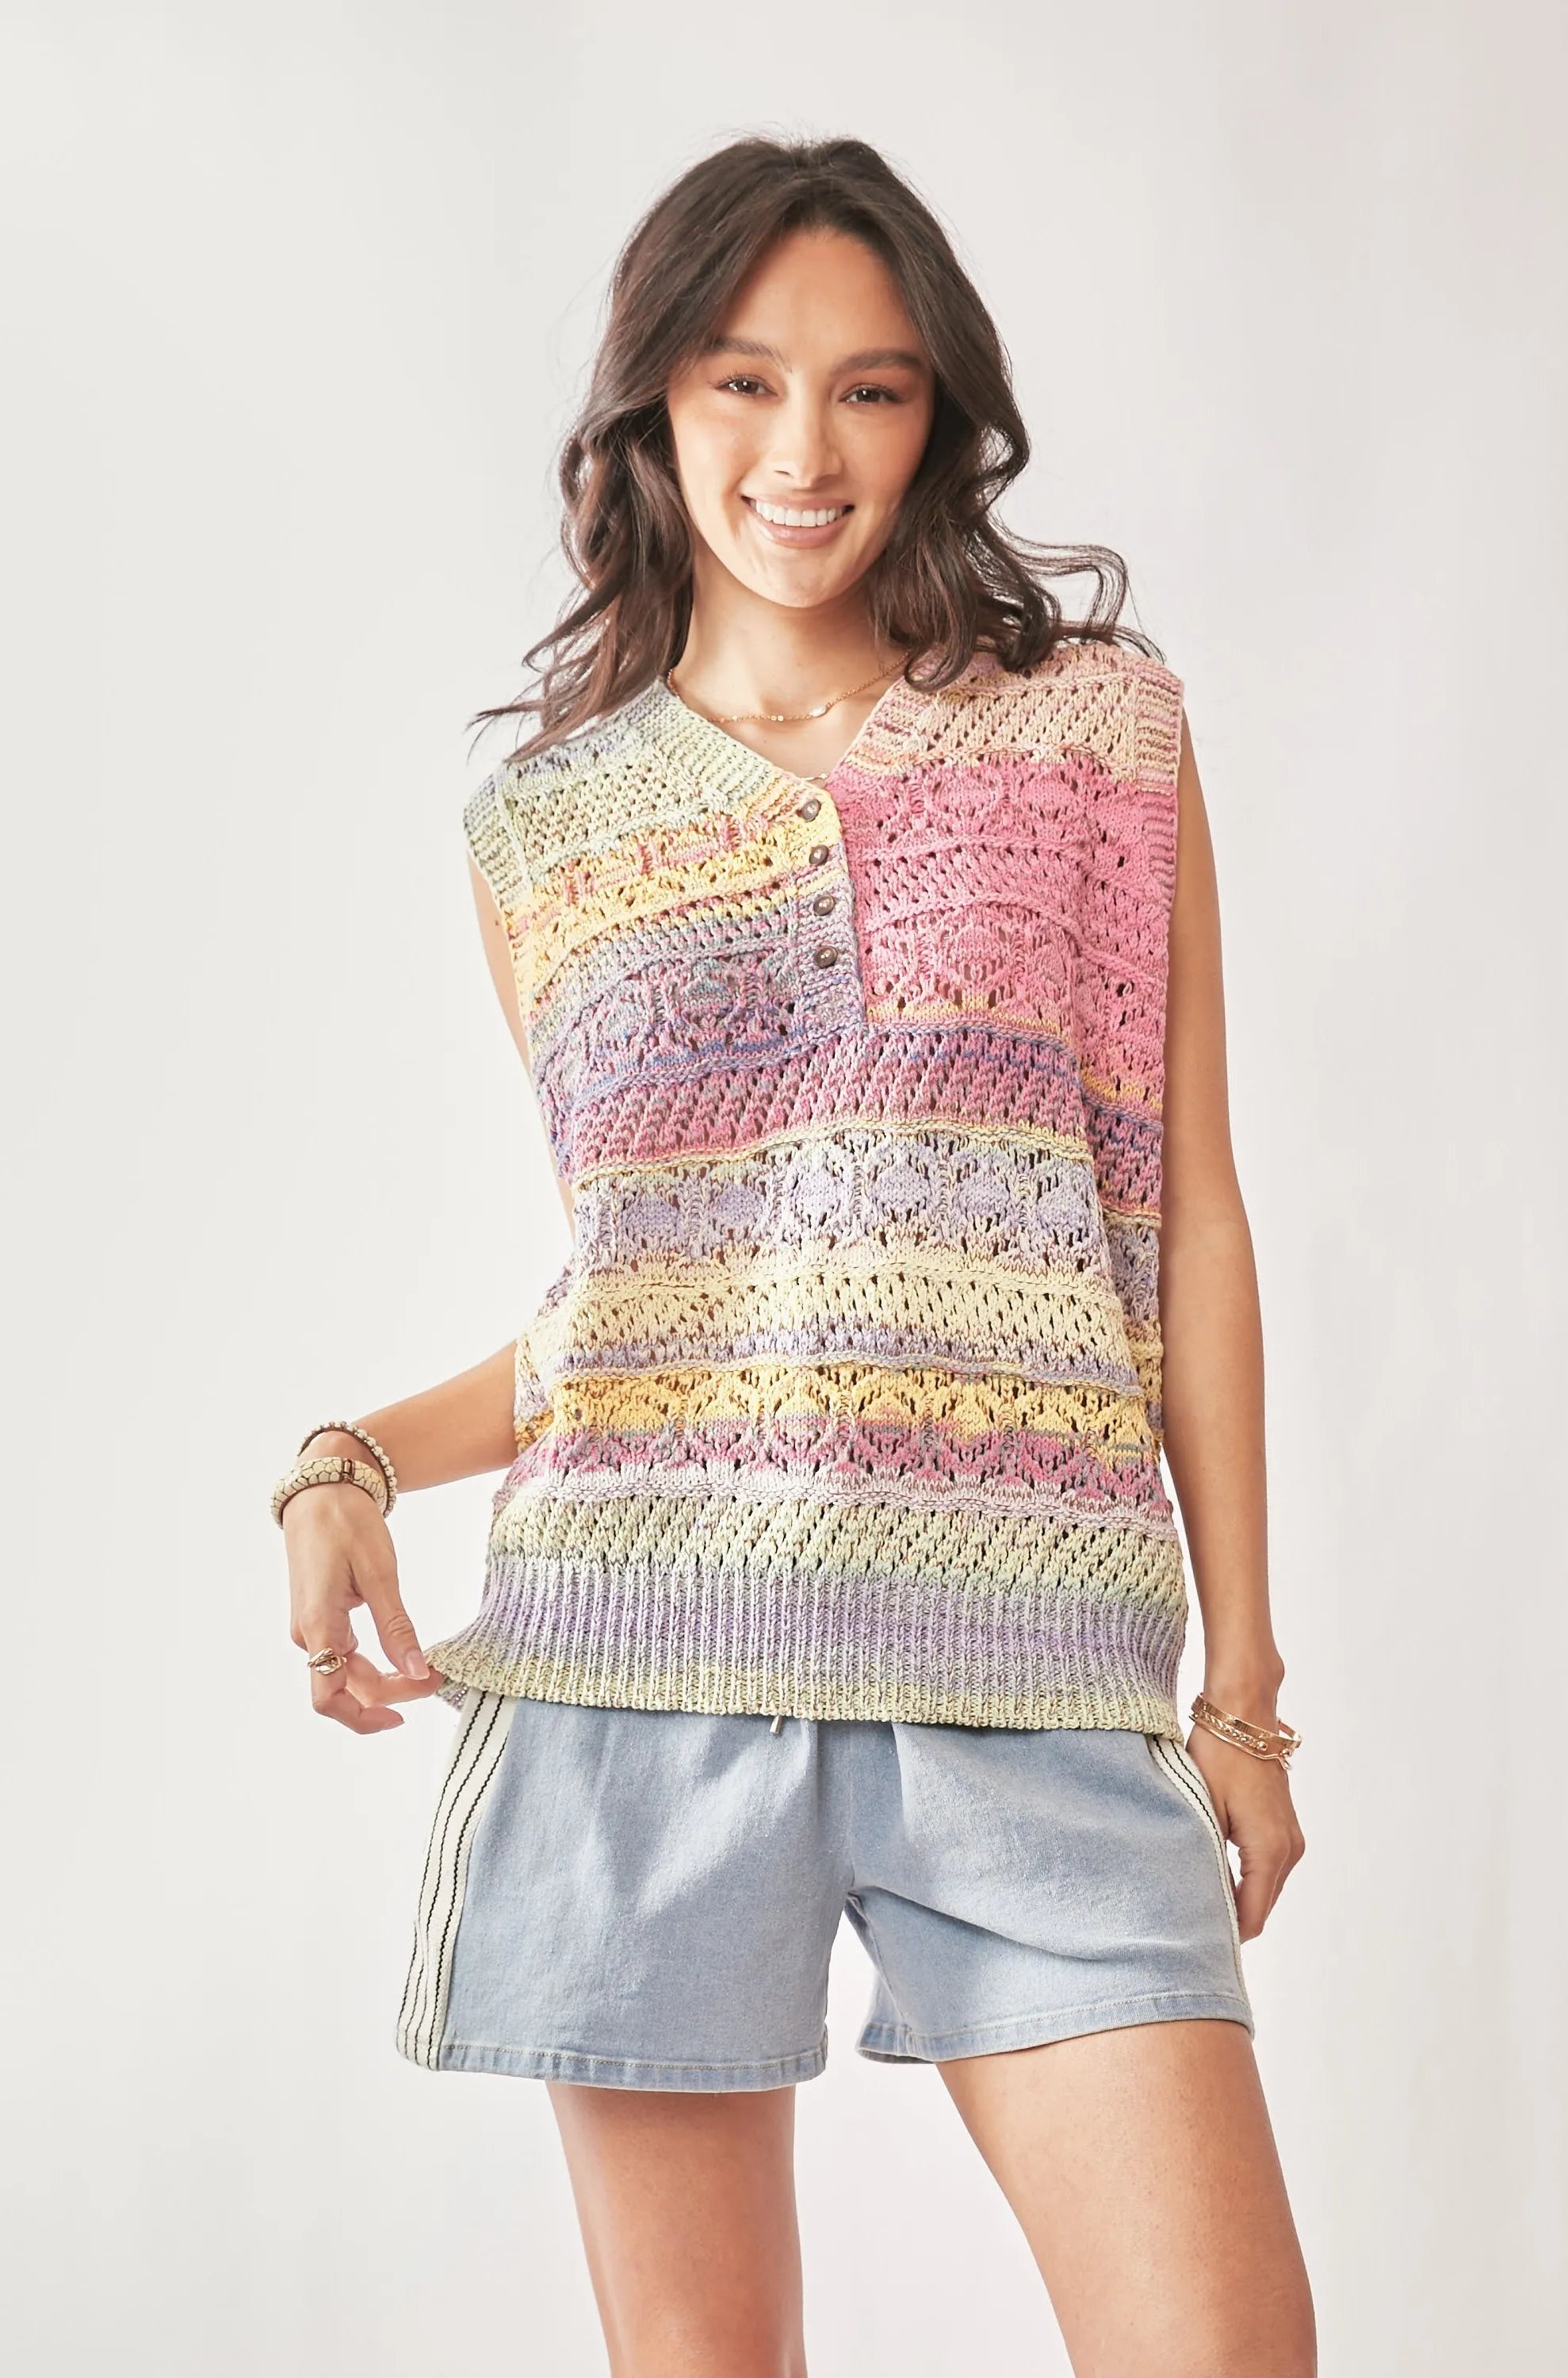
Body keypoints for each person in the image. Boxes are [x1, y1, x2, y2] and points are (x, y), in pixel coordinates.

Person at [272, 134, 1315, 2378]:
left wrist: (1240, 1693)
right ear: (652, 403)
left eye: (871, 389)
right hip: (638, 1675)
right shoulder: (543, 824)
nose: (802, 453)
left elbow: (1191, 1211)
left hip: (1036, 1676)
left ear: (939, 417)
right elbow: (658, 1313)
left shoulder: (1093, 733)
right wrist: (349, 1456)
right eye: (743, 382)